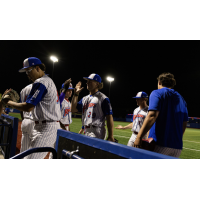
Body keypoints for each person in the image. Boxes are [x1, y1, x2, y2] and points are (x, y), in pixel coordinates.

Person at [3, 57, 67, 159]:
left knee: (30, 159)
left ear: (38, 68)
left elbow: (28, 107)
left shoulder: (41, 82)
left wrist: (8, 102)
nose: (27, 74)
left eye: (29, 70)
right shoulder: (48, 81)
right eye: (26, 72)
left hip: (47, 127)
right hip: (43, 125)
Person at [134, 72, 188, 158]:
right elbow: (184, 123)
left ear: (159, 82)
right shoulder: (182, 99)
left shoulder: (157, 93)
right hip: (177, 147)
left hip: (159, 144)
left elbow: (152, 115)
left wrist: (139, 137)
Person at [71, 73, 115, 142]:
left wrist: (111, 136)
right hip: (86, 129)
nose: (87, 83)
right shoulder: (85, 98)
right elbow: (73, 109)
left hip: (97, 130)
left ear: (97, 84)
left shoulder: (103, 98)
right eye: (87, 81)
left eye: (90, 81)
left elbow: (109, 117)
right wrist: (76, 94)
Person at [19, 83, 35, 154]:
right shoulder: (39, 88)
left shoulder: (23, 89)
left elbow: (21, 108)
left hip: (25, 120)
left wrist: (23, 119)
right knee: (34, 151)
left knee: (23, 150)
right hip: (34, 121)